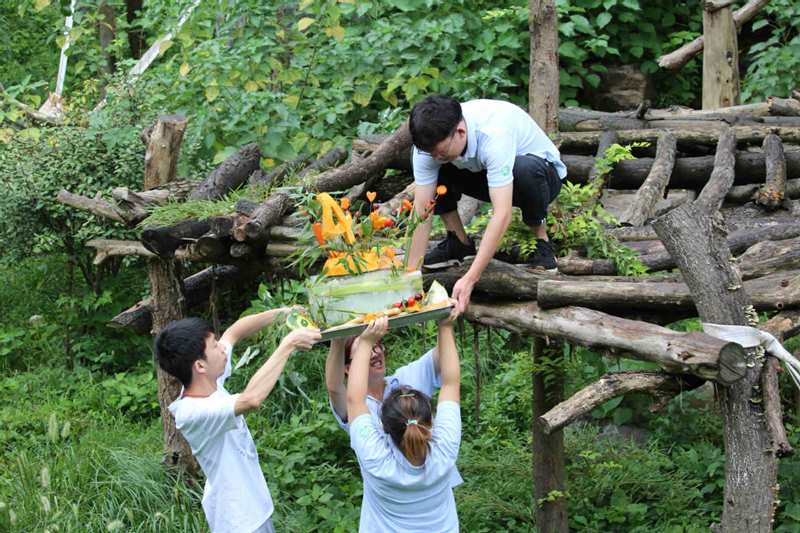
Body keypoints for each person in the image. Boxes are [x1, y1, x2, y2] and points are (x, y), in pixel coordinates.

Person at [154, 309, 321, 533]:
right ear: (199, 366)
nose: (222, 347)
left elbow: (234, 332)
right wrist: (288, 344)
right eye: (215, 345)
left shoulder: (210, 380)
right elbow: (251, 399)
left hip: (255, 509)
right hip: (238, 521)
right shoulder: (192, 412)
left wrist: (283, 313)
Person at [406, 95, 568, 313]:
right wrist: (410, 275)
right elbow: (422, 211)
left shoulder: (494, 134)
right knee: (438, 167)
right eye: (431, 152)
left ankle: (542, 243)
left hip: (540, 176)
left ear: (460, 133)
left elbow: (502, 214)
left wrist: (470, 278)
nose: (435, 155)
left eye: (440, 151)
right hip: (484, 173)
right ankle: (458, 242)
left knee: (524, 169)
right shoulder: (430, 145)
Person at [345, 311, 462, 532]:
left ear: (384, 428)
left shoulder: (377, 460)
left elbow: (353, 400)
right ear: (429, 421)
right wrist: (446, 326)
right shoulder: (445, 449)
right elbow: (451, 383)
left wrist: (366, 342)